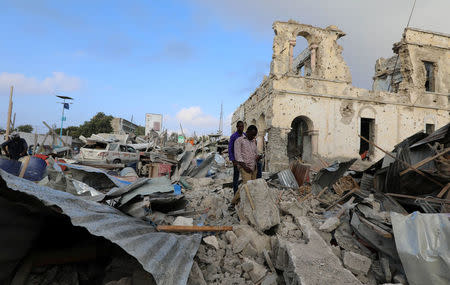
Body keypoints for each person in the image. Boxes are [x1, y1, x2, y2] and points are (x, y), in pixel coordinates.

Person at [228, 121, 245, 194]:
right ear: (237, 127)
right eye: (240, 126)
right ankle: (235, 193)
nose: (241, 128)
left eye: (242, 126)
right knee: (236, 178)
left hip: (244, 160)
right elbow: (230, 148)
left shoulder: (245, 135)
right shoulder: (233, 136)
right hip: (236, 160)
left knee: (245, 176)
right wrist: (233, 160)